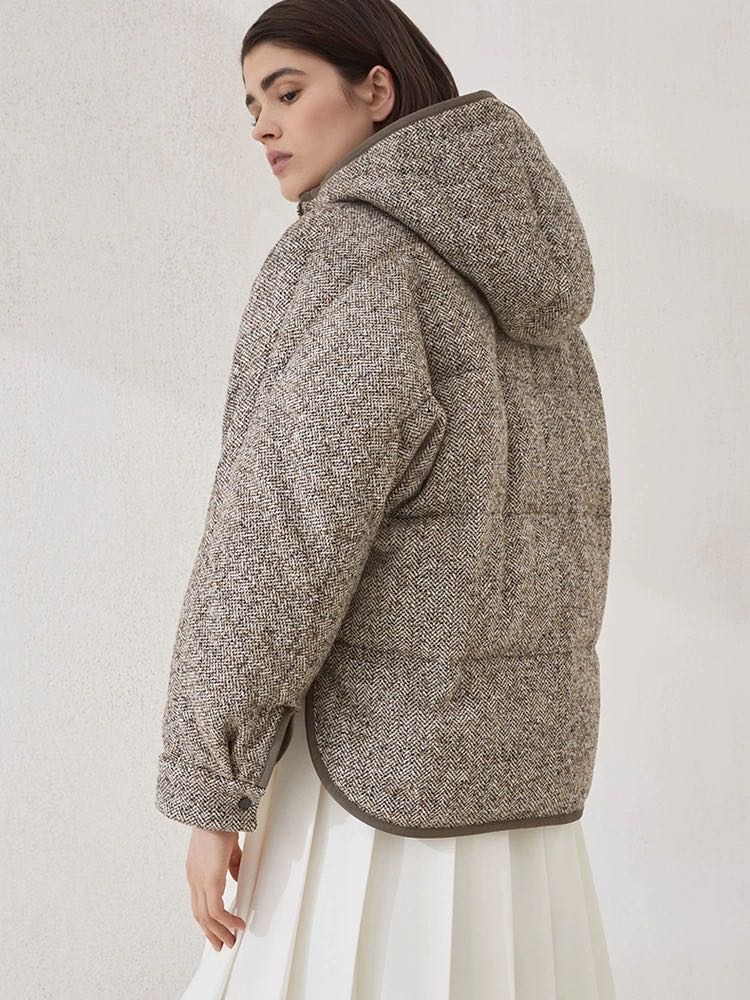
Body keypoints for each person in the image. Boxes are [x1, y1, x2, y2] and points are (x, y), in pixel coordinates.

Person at [155, 1, 617, 996]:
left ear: (377, 89)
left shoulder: (349, 257)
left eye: (287, 92)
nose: (263, 126)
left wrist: (211, 784)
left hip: (368, 787)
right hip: (525, 790)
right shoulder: (537, 295)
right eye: (251, 105)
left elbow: (280, 540)